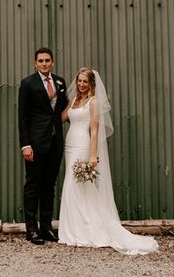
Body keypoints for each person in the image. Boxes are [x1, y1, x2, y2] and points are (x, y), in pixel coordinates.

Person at [58, 67, 158, 255]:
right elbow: (61, 118)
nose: (81, 85)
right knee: (72, 185)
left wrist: (93, 155)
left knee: (77, 185)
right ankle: (73, 228)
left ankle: (86, 229)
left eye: (85, 82)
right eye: (79, 81)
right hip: (70, 145)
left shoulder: (93, 102)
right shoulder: (74, 100)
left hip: (83, 145)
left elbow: (94, 130)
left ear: (91, 84)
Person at [18, 47, 69, 244]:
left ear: (52, 62)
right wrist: (26, 145)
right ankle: (31, 229)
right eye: (41, 61)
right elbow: (23, 118)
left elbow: (63, 109)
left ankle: (46, 227)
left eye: (48, 60)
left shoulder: (60, 82)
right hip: (36, 143)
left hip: (55, 143)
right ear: (35, 63)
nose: (44, 63)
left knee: (49, 185)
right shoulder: (28, 84)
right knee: (33, 185)